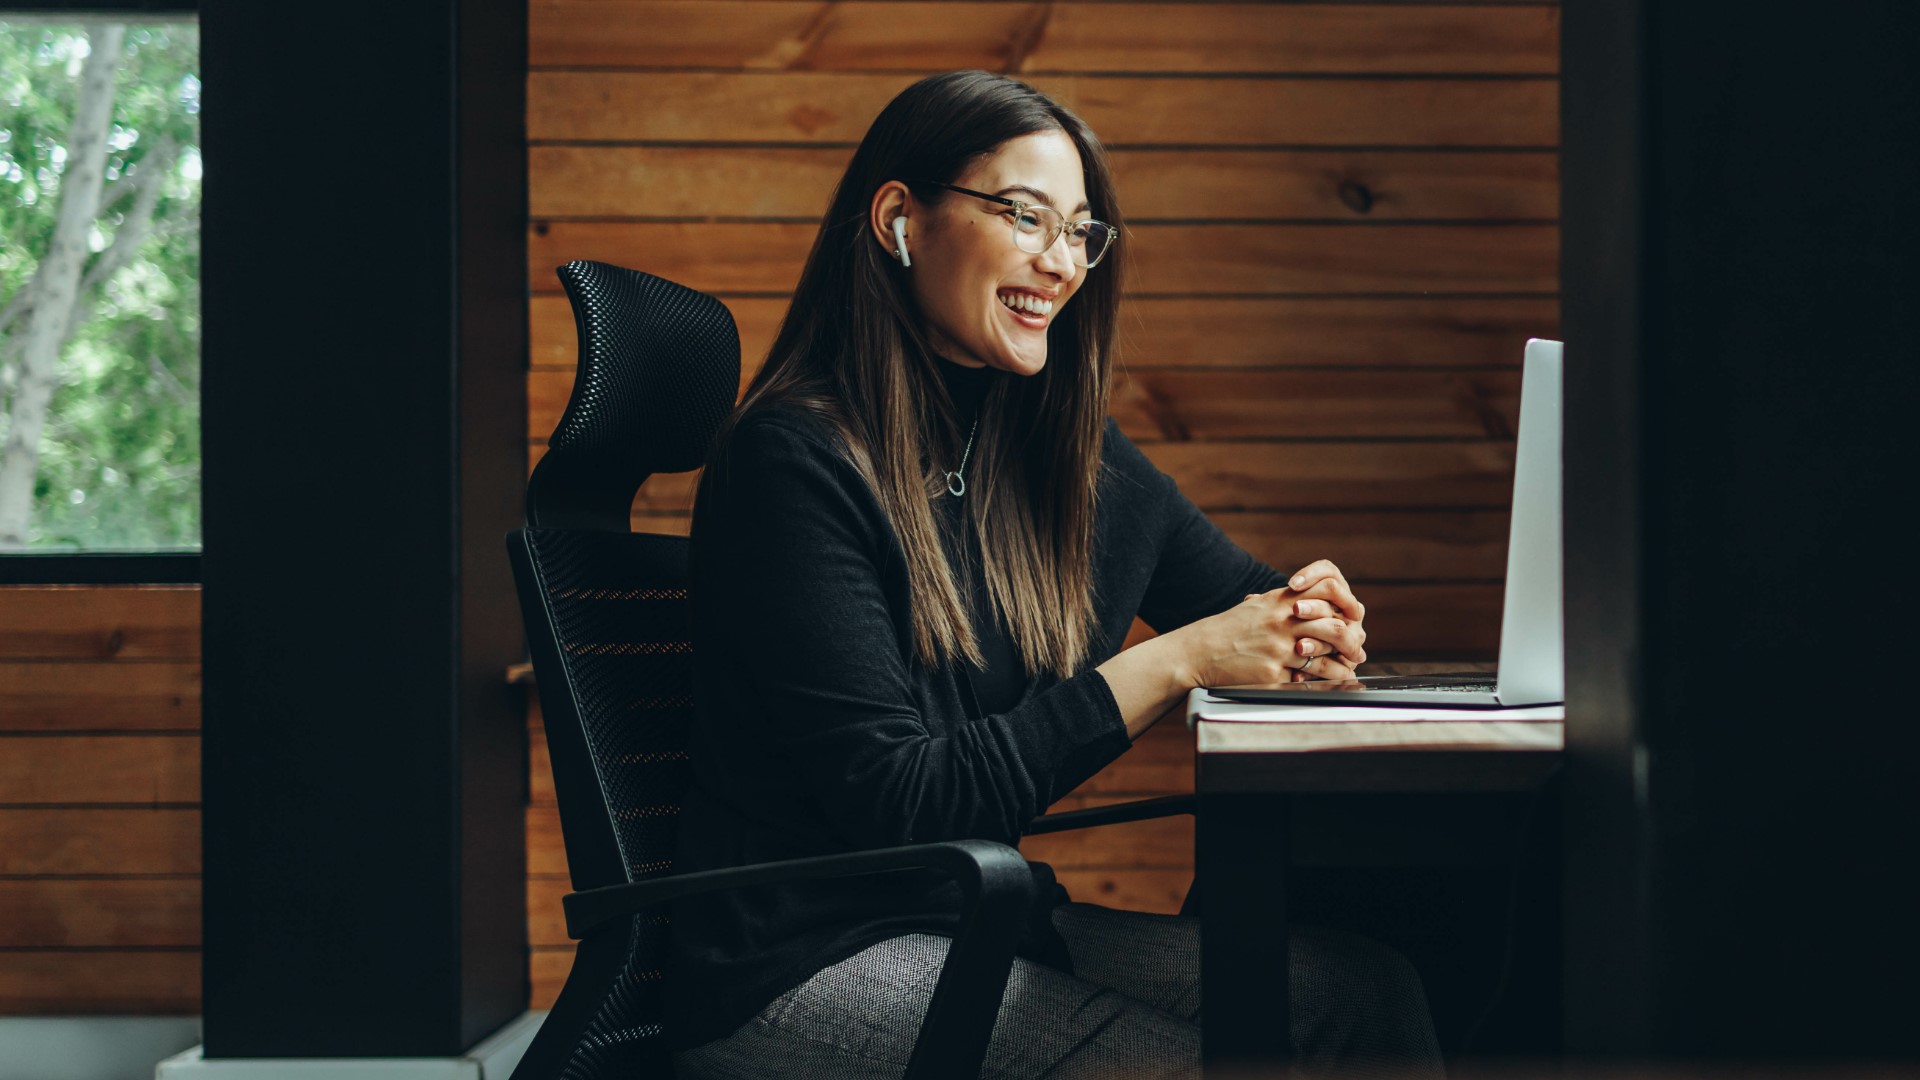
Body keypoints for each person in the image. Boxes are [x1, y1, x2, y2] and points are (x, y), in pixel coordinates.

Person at [664, 70, 1444, 1079]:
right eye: (1025, 216)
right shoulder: (792, 460)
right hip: (796, 960)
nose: (1062, 260)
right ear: (902, 219)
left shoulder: (1057, 454)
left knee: (1362, 996)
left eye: (1082, 231)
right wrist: (1177, 663)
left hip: (977, 916)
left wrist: (1315, 624)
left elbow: (1255, 603)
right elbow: (902, 801)